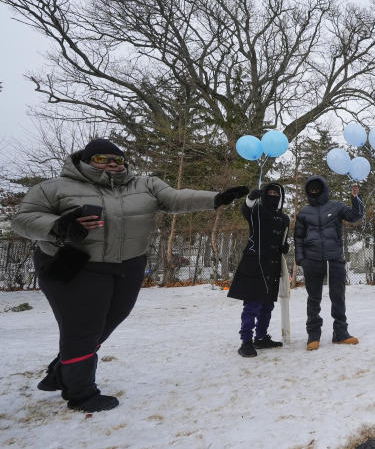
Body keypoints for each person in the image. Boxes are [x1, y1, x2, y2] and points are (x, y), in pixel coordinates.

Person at [12, 138, 247, 412]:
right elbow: (23, 218)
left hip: (129, 264)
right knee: (84, 327)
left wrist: (216, 199)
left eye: (118, 160)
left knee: (111, 320)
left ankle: (61, 372)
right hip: (76, 264)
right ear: (86, 161)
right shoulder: (54, 187)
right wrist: (60, 226)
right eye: (102, 159)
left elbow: (174, 198)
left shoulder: (144, 184)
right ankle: (81, 393)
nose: (112, 164)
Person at [294, 175, 363, 349]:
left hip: (334, 259)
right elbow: (298, 237)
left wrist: (355, 198)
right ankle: (313, 336)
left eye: (317, 187)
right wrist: (301, 258)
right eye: (311, 189)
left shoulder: (337, 206)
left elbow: (355, 215)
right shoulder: (304, 212)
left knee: (338, 297)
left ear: (324, 188)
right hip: (312, 260)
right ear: (308, 191)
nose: (314, 191)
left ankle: (340, 333)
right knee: (314, 299)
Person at [227, 184, 290, 358]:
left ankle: (261, 337)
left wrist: (284, 247)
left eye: (277, 193)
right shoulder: (257, 211)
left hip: (273, 265)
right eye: (270, 192)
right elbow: (246, 211)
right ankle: (246, 341)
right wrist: (251, 199)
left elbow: (283, 238)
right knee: (252, 305)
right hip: (254, 265)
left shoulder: (284, 218)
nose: (273, 195)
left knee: (267, 305)